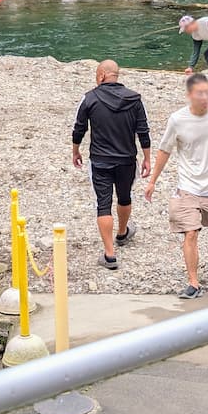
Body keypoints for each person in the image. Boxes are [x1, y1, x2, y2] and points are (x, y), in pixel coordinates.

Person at [145, 74, 208, 299]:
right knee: (190, 233)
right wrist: (153, 181)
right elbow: (165, 151)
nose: (204, 97)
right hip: (188, 187)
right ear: (189, 95)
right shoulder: (177, 120)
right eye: (199, 93)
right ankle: (193, 282)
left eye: (207, 92)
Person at [71, 61, 152, 270]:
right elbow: (143, 130)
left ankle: (109, 254)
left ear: (101, 75)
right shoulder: (134, 99)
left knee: (103, 204)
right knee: (125, 197)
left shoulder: (90, 98)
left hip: (100, 160)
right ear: (116, 75)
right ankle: (122, 232)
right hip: (127, 159)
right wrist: (147, 158)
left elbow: (79, 127)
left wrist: (76, 150)